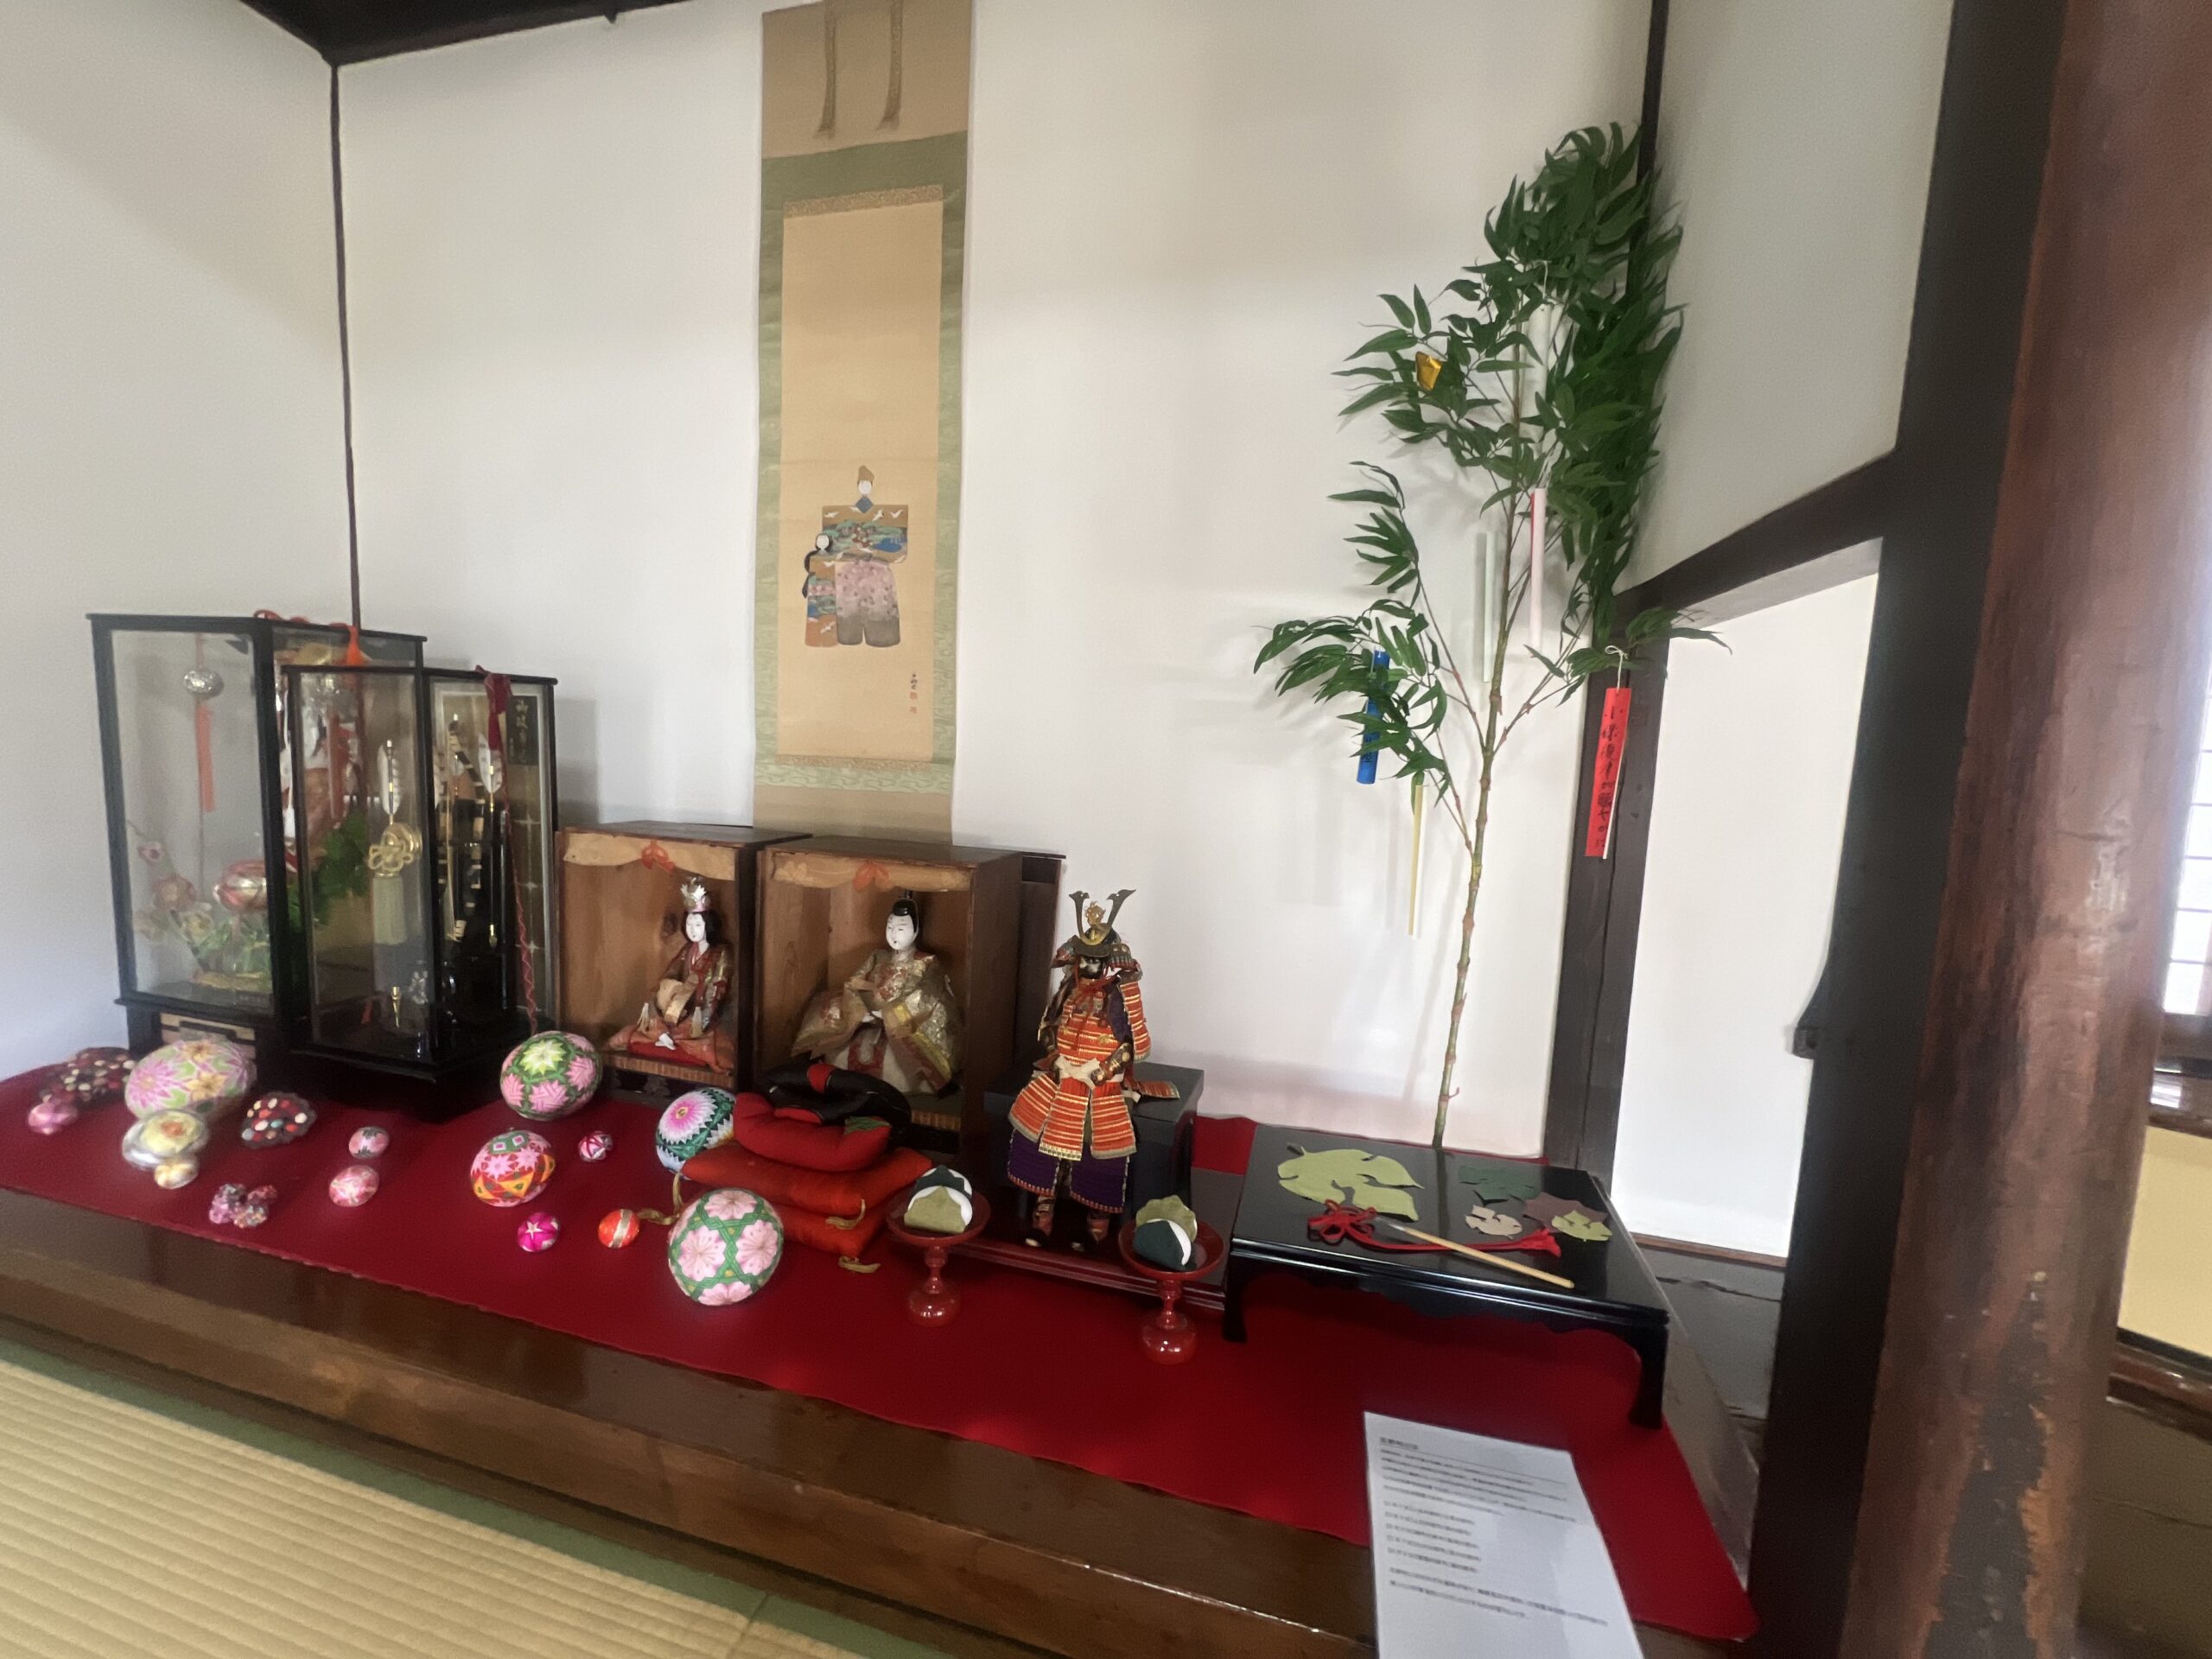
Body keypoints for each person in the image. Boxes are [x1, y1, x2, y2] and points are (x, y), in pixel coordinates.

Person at [1007, 889, 1177, 1244]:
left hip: (1101, 1082)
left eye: (1095, 960)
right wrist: (1058, 1059)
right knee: (1035, 1126)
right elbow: (1049, 1029)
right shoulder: (1067, 988)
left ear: (1108, 961)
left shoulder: (1119, 995)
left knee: (1098, 1142)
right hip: (1062, 1073)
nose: (1087, 966)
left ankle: (1096, 1220)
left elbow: (1131, 1047)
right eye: (1084, 958)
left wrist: (1098, 1073)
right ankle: (1043, 1206)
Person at [791, 895, 962, 1094]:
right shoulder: (878, 956)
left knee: (906, 1059)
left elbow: (928, 994)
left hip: (905, 1024)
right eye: (890, 927)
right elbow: (855, 981)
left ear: (915, 931)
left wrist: (890, 1014)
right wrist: (859, 1009)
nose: (893, 934)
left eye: (900, 928)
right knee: (828, 1005)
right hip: (869, 1018)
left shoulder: (927, 962)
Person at [613, 876, 735, 1071]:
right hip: (675, 1014)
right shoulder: (687, 950)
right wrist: (659, 1018)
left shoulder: (721, 953)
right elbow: (667, 978)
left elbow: (715, 994)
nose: (692, 930)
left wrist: (688, 1027)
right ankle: (663, 1035)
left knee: (717, 1054)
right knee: (627, 1036)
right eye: (689, 924)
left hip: (703, 1021)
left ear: (709, 925)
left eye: (698, 925)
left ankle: (672, 1037)